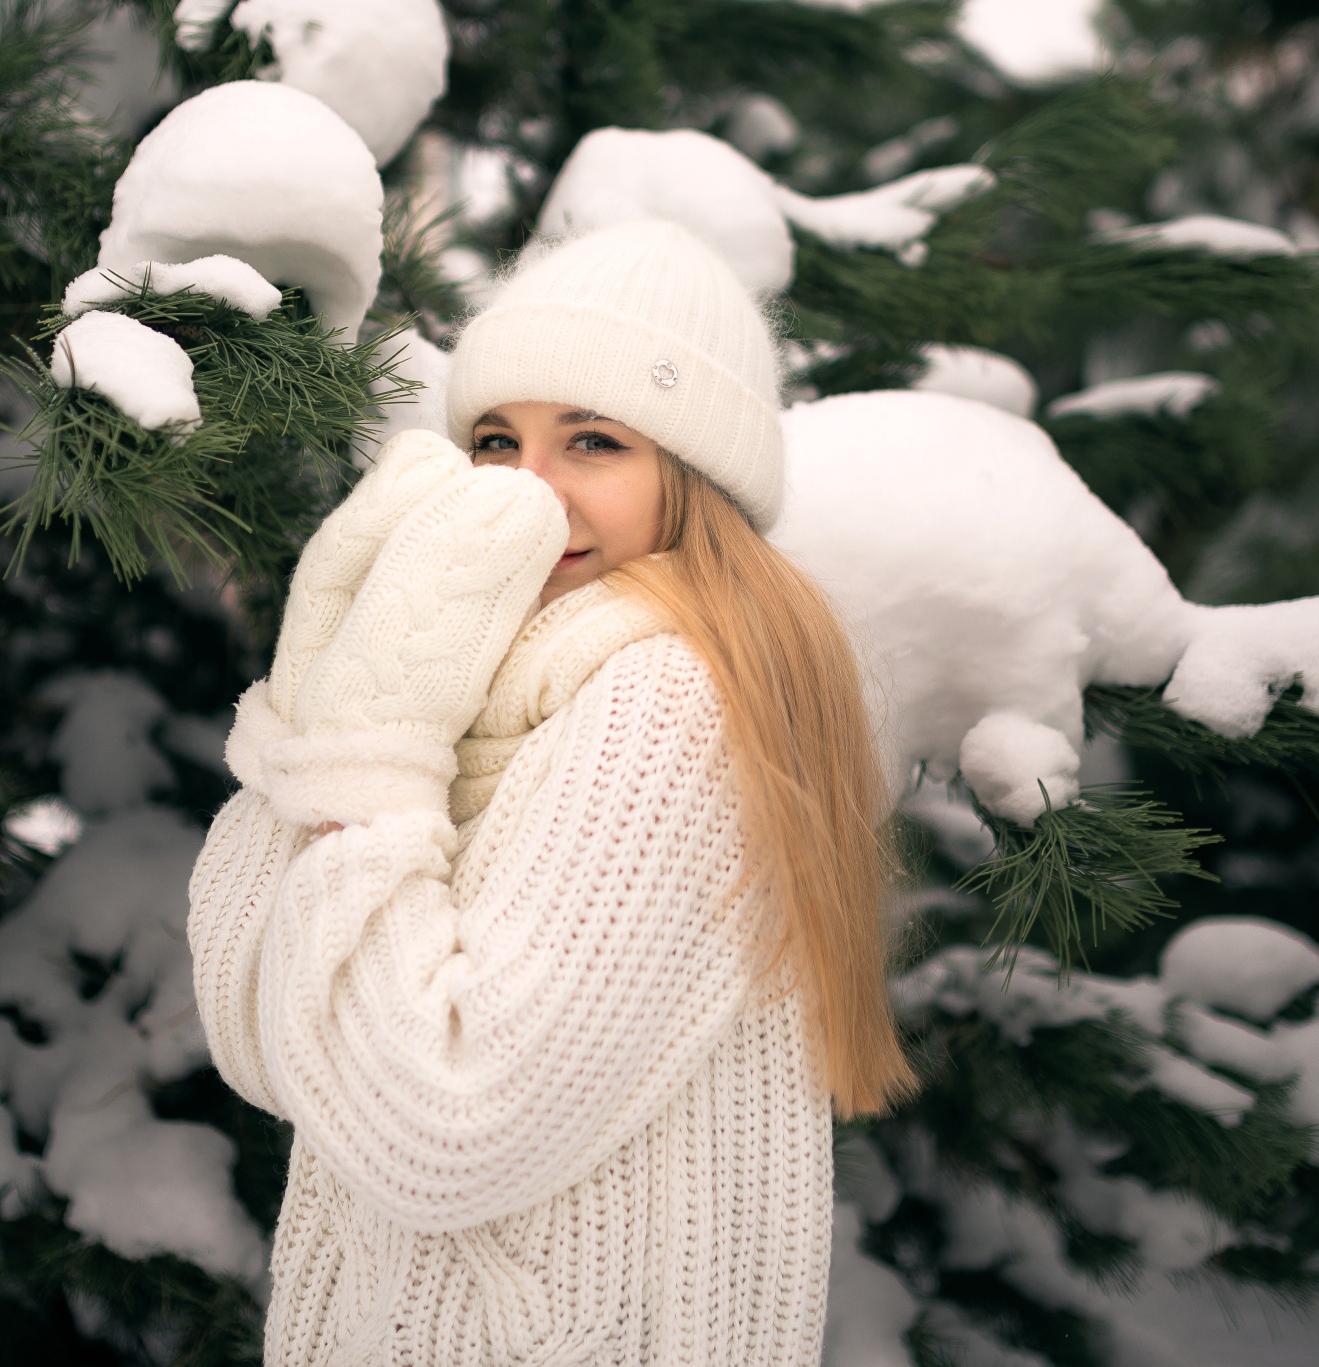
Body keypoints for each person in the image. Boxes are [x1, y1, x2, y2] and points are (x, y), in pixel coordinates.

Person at [188, 219, 917, 1365]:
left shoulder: (669, 702)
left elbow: (443, 1122)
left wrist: (370, 756)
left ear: (695, 480)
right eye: (493, 440)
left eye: (591, 441)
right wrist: (326, 691)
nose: (530, 492)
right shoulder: (468, 693)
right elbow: (257, 1034)